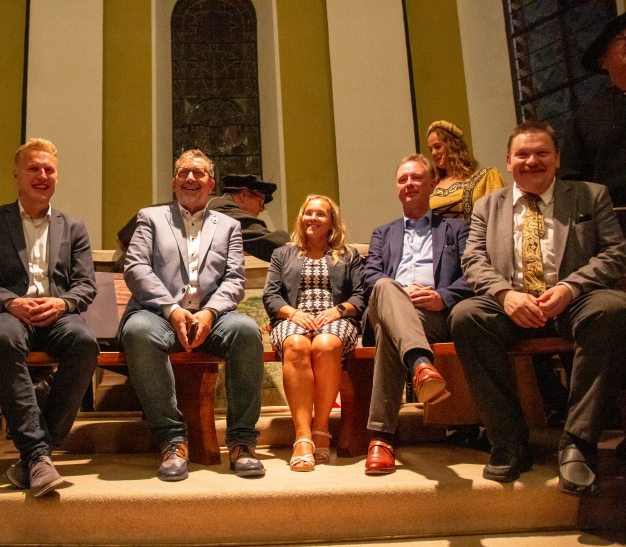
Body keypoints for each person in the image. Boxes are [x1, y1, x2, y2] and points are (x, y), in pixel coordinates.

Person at [449, 121, 626, 496]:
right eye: (523, 154)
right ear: (509, 161)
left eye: (542, 152)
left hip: (574, 301)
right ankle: (509, 442)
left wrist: (570, 287)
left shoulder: (589, 195)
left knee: (613, 309)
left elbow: (615, 253)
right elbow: (474, 260)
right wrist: (504, 294)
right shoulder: (486, 205)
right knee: (466, 317)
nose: (533, 161)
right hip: (511, 304)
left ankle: (578, 442)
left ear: (557, 158)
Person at [0, 138, 99, 498]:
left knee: (85, 343)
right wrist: (11, 302)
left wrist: (63, 304)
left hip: (56, 315)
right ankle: (39, 455)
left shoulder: (73, 227)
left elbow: (85, 285)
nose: (42, 175)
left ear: (57, 177)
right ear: (16, 175)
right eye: (33, 168)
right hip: (5, 314)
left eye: (49, 169)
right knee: (4, 338)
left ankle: (36, 455)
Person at [120, 149, 265, 482]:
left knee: (246, 331)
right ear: (173, 182)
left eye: (198, 173)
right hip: (159, 313)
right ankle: (172, 440)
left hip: (212, 318)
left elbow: (234, 279)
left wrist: (211, 312)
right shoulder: (150, 218)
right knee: (138, 332)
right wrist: (171, 310)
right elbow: (137, 267)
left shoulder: (228, 226)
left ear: (210, 184)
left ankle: (242, 443)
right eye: (184, 172)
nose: (190, 178)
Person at [360, 155, 472, 475]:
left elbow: (473, 274)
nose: (408, 183)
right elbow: (370, 278)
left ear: (432, 185)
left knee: (389, 335)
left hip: (432, 317)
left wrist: (442, 297)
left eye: (416, 178)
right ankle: (422, 366)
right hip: (387, 307)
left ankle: (381, 440)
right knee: (384, 286)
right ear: (397, 189)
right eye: (402, 179)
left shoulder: (456, 229)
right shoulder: (384, 233)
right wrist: (399, 293)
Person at [262, 195, 364, 471]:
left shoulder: (349, 255)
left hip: (335, 317)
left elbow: (360, 295)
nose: (313, 219)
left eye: (320, 214)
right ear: (301, 217)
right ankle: (303, 436)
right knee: (296, 344)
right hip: (295, 316)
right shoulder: (282, 254)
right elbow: (271, 296)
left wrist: (340, 309)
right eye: (308, 213)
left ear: (332, 222)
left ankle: (321, 428)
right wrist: (293, 313)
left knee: (327, 345)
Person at [114, 173, 289, 270]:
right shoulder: (224, 209)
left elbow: (123, 236)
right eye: (261, 202)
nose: (262, 209)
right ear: (243, 195)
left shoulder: (208, 203)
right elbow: (267, 242)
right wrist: (304, 247)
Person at [559, 12, 626, 234]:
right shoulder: (585, 118)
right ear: (602, 61)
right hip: (616, 235)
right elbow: (572, 186)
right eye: (620, 38)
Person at [426, 120, 505, 223]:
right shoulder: (433, 187)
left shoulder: (486, 177)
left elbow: (500, 218)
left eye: (437, 147)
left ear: (452, 146)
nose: (433, 153)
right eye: (430, 149)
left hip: (476, 238)